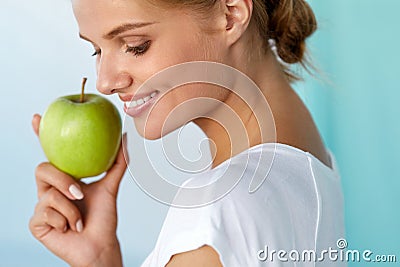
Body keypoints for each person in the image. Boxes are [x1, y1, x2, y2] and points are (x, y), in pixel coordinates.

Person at [30, 0, 346, 266]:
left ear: (231, 15)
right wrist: (101, 259)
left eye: (135, 46)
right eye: (96, 50)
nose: (104, 82)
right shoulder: (308, 155)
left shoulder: (215, 215)